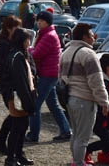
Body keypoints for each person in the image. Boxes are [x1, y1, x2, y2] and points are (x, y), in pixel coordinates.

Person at [60, 24, 109, 166]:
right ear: (84, 37)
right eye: (91, 34)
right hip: (84, 99)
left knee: (75, 134)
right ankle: (79, 163)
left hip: (70, 98)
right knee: (83, 137)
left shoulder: (66, 52)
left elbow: (61, 77)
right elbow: (96, 81)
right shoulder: (88, 54)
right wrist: (104, 101)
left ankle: (75, 162)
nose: (94, 37)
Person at [25, 10, 72, 143]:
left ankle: (33, 135)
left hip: (48, 74)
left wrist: (26, 49)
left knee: (35, 105)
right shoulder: (46, 34)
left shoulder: (49, 36)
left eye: (41, 21)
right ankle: (66, 131)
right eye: (38, 21)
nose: (38, 23)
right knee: (53, 104)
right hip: (50, 74)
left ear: (47, 22)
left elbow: (36, 53)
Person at [5, 27, 37, 166]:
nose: (29, 41)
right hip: (18, 97)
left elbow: (32, 72)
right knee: (17, 128)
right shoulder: (17, 57)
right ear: (21, 41)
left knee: (22, 127)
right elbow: (21, 82)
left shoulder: (21, 54)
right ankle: (10, 158)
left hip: (21, 95)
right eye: (27, 39)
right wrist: (29, 103)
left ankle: (18, 155)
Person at [0, 15, 23, 155]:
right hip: (9, 85)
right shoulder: (4, 44)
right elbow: (7, 66)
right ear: (8, 28)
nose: (19, 31)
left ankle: (1, 141)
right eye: (17, 28)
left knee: (14, 115)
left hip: (12, 84)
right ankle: (6, 145)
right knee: (15, 115)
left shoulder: (9, 42)